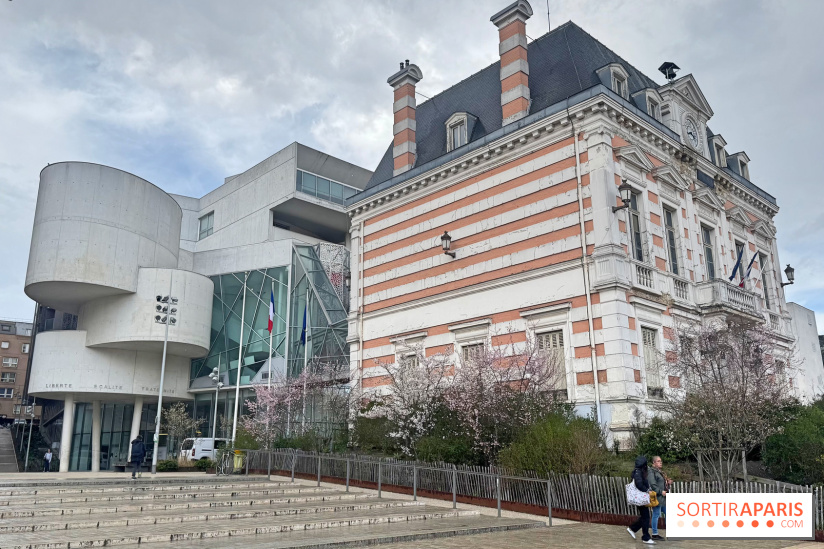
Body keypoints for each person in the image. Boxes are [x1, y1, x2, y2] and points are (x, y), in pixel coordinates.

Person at [627, 455, 655, 544]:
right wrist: (647, 490)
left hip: (640, 498)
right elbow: (639, 484)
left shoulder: (639, 471)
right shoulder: (638, 472)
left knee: (645, 517)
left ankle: (633, 529)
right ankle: (645, 537)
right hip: (640, 497)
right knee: (646, 517)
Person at [648, 456, 668, 541]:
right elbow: (653, 484)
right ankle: (655, 534)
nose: (661, 462)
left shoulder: (659, 471)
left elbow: (660, 482)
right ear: (654, 463)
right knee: (656, 514)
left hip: (662, 497)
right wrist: (661, 491)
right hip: (657, 497)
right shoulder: (651, 472)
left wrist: (667, 482)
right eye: (658, 461)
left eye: (661, 461)